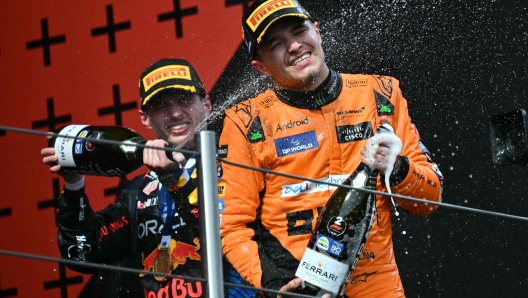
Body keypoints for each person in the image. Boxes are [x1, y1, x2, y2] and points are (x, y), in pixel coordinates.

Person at [217, 1, 445, 297]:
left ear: (317, 31)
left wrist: (398, 168)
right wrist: (274, 286)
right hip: (300, 288)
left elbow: (430, 200)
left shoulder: (381, 93)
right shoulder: (245, 121)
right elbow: (230, 226)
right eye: (276, 44)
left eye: (299, 31)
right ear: (260, 67)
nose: (295, 46)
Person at [41, 59, 253, 297]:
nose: (175, 113)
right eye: (161, 105)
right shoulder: (139, 190)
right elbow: (81, 254)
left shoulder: (238, 162)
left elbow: (224, 232)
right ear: (145, 117)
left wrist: (174, 179)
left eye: (184, 100)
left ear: (206, 104)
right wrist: (73, 185)